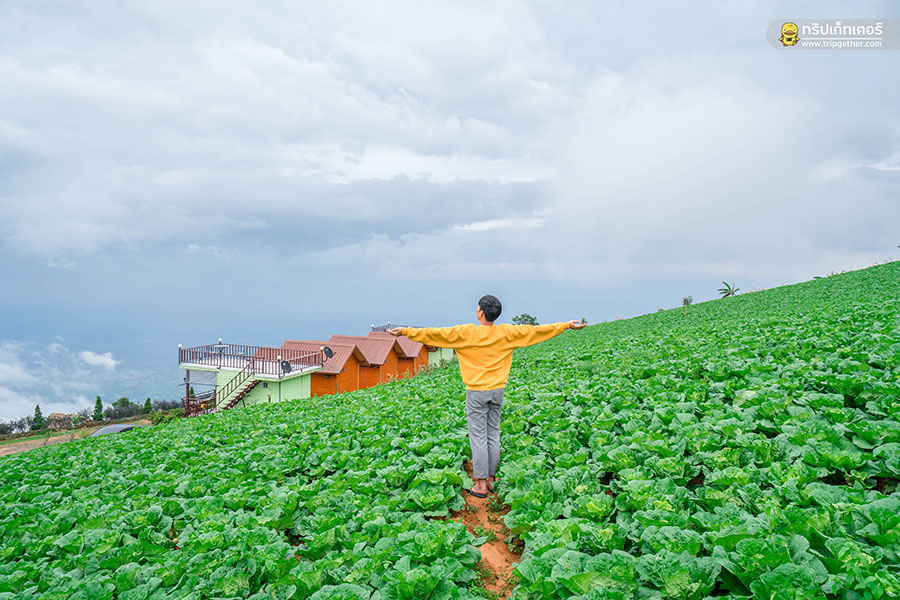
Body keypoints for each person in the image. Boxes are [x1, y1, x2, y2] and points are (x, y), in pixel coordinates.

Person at [387, 295, 586, 498]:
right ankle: (491, 479)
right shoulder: (508, 333)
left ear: (480, 312)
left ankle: (480, 484)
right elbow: (536, 331)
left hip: (476, 392)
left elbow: (434, 334)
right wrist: (565, 326)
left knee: (478, 436)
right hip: (498, 390)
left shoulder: (466, 333)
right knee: (493, 433)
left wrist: (405, 331)